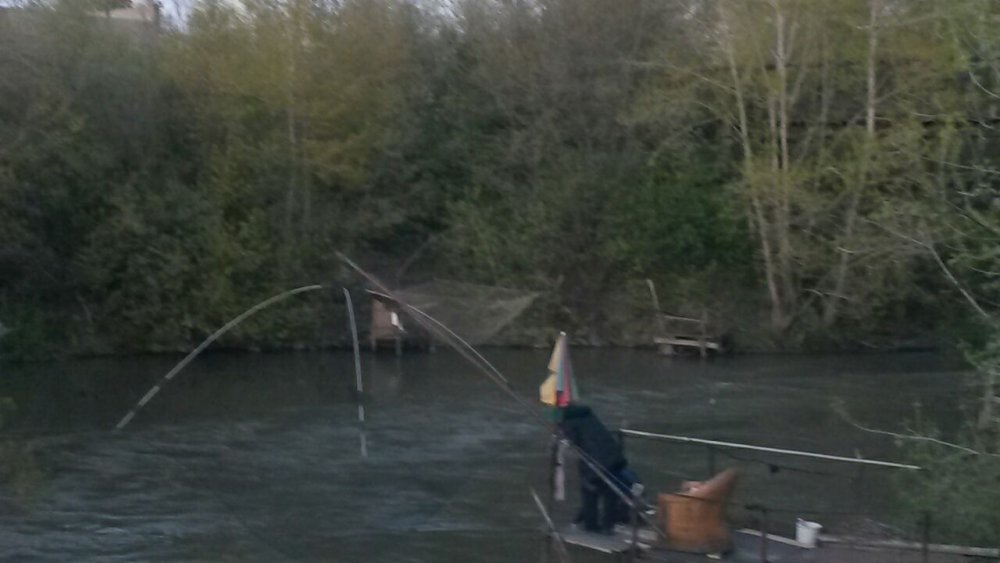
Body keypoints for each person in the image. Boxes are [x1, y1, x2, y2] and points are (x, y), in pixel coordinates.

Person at [558, 404, 641, 533]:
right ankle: (608, 526)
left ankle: (591, 526)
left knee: (589, 490)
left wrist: (562, 437)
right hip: (614, 457)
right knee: (610, 492)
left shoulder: (569, 423)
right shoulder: (589, 416)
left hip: (595, 461)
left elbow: (573, 444)